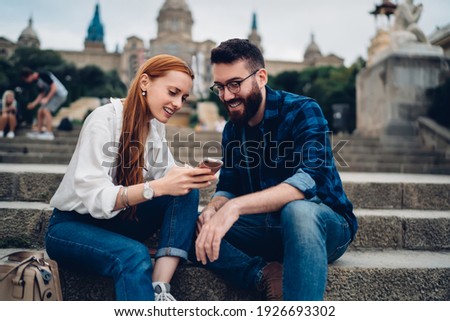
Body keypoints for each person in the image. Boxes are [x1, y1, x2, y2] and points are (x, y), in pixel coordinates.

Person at [194, 39, 358, 301]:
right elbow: (228, 186)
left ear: (260, 77)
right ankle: (263, 275)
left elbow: (307, 181)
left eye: (235, 84)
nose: (226, 95)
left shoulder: (303, 109)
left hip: (322, 225)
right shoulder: (232, 130)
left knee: (298, 210)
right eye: (220, 87)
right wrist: (214, 208)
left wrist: (235, 207)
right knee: (194, 226)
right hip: (266, 227)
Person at [45, 54, 216, 301]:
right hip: (72, 227)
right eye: (172, 92)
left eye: (183, 97)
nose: (178, 103)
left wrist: (190, 175)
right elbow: (95, 196)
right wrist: (154, 187)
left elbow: (166, 172)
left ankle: (159, 288)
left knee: (186, 191)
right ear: (145, 82)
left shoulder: (153, 126)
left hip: (120, 221)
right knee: (133, 255)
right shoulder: (103, 119)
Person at [21, 67, 68, 140]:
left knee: (46, 110)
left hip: (60, 95)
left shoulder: (43, 75)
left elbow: (54, 88)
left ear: (29, 75)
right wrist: (33, 104)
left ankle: (49, 134)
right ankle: (39, 132)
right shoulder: (37, 81)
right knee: (40, 111)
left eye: (26, 79)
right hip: (53, 95)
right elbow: (42, 94)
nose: (27, 82)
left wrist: (47, 98)